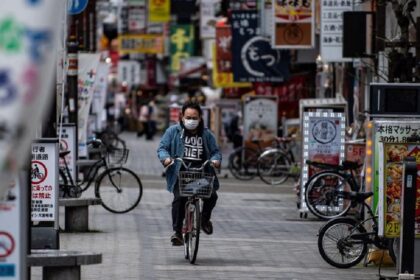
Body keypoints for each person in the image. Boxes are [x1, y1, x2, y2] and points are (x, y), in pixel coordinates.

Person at [157, 101, 222, 246]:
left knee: (212, 196)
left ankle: (204, 220)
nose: (191, 121)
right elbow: (162, 148)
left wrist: (215, 161)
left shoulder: (206, 134)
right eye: (188, 117)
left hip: (201, 174)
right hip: (181, 175)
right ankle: (178, 232)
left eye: (194, 118)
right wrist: (166, 159)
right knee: (179, 199)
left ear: (200, 118)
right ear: (182, 117)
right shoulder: (173, 132)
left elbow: (216, 152)